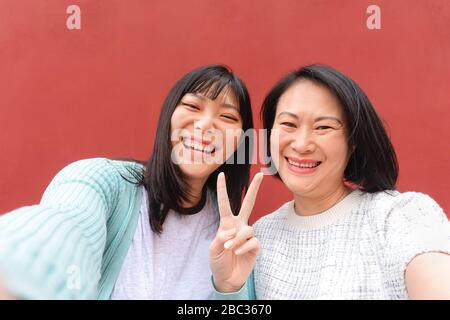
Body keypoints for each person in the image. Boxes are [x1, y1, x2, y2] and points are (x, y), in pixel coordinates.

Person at [0, 64, 261, 300]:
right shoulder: (102, 182)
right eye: (193, 106)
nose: (206, 125)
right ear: (169, 116)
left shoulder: (233, 235)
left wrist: (228, 288)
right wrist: (22, 268)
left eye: (227, 117)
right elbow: (68, 223)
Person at [210, 64, 450, 299]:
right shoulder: (257, 238)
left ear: (353, 141)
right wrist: (229, 288)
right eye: (288, 124)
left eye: (323, 127)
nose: (302, 144)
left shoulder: (400, 215)